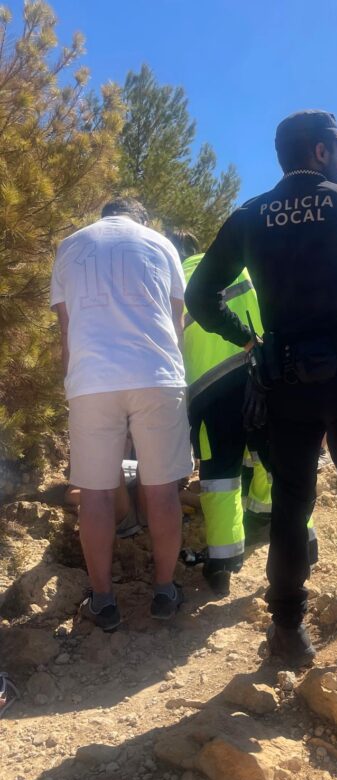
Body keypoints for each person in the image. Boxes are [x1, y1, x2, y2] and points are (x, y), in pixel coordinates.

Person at [185, 110, 337, 666]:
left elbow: (199, 297)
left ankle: (288, 632)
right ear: (320, 152)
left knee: (290, 503)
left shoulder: (249, 216)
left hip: (282, 376)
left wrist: (248, 338)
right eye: (336, 150)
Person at [51, 197, 193, 631]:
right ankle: (165, 592)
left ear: (104, 217)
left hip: (92, 378)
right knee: (163, 489)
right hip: (156, 373)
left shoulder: (69, 248)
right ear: (140, 218)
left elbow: (66, 330)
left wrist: (73, 384)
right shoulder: (161, 244)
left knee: (94, 493)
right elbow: (175, 320)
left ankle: (104, 600)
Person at [167, 230, 316, 596]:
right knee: (279, 462)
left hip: (207, 390)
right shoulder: (231, 265)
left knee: (219, 475)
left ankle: (221, 566)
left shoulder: (168, 280)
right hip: (259, 374)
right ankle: (305, 542)